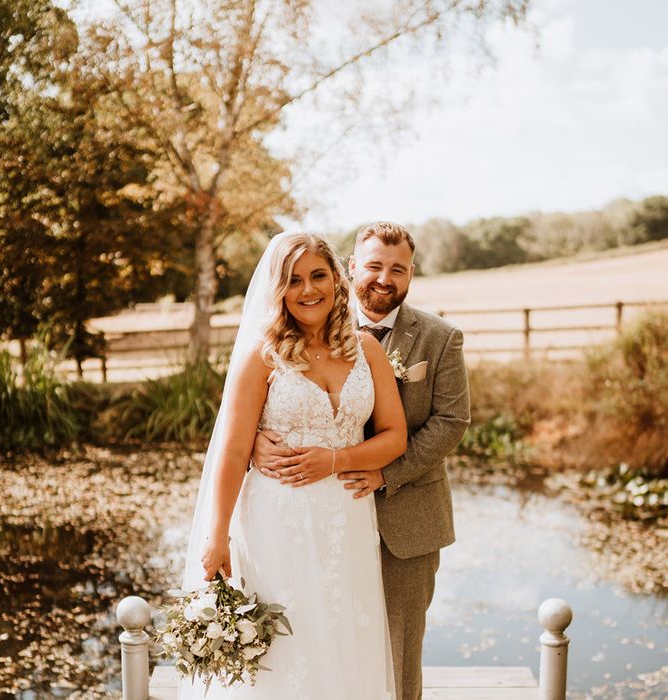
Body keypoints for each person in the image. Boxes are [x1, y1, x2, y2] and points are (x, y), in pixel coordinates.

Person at [179, 232, 407, 699]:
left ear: (338, 280)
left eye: (318, 275)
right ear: (278, 289)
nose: (308, 290)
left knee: (345, 639)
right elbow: (233, 450)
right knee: (285, 650)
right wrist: (216, 536)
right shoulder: (261, 356)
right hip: (276, 523)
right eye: (294, 280)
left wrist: (337, 459)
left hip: (347, 521)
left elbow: (394, 438)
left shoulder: (368, 351)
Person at [253, 222, 471, 700]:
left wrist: (384, 473)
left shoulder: (439, 338)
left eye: (399, 269)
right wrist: (254, 441)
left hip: (406, 519)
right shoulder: (301, 319)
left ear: (412, 273)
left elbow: (451, 422)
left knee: (396, 653)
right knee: (313, 643)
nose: (384, 278)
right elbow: (254, 399)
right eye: (374, 265)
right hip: (311, 521)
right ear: (351, 269)